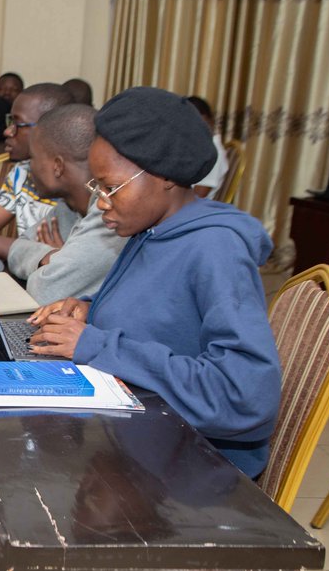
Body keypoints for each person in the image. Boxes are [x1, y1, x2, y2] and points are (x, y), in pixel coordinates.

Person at [27, 86, 281, 478]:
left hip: (192, 466)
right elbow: (163, 312)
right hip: (140, 433)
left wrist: (96, 343)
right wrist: (92, 307)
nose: (101, 202)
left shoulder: (215, 250)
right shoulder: (151, 229)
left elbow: (243, 395)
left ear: (163, 176)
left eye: (110, 187)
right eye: (96, 187)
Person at [0, 104, 123, 304]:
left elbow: (43, 290)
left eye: (33, 159)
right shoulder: (68, 207)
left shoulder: (108, 213)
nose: (28, 169)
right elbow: (22, 243)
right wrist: (50, 257)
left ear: (58, 166)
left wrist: (52, 263)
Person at [0, 82, 73, 238]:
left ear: (49, 128)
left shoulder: (78, 187)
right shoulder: (22, 172)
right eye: (9, 122)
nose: (7, 131)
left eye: (18, 123)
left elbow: (42, 252)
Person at [186, 95, 230, 198]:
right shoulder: (198, 146)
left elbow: (197, 197)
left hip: (193, 209)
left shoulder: (213, 154)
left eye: (202, 124)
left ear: (211, 121)